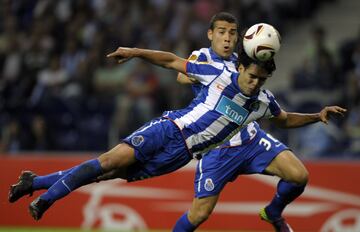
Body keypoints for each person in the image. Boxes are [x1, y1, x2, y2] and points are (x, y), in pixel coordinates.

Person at [9, 43, 346, 230]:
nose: (255, 83)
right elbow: (172, 61)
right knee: (107, 162)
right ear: (242, 68)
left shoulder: (261, 103)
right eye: (252, 75)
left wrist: (316, 116)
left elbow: (284, 120)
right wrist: (136, 52)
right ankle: (46, 199)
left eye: (261, 79)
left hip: (181, 156)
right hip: (170, 129)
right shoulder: (217, 73)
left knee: (109, 175)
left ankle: (34, 182)